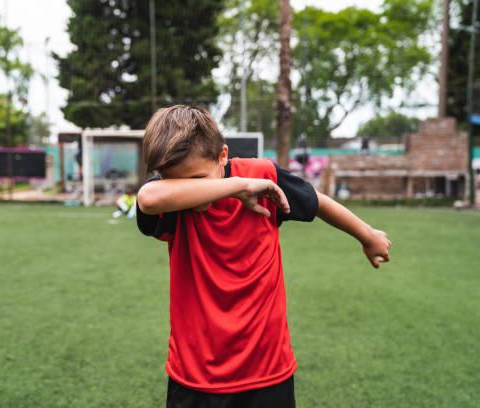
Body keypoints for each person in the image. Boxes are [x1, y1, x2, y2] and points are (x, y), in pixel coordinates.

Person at [135, 105, 392, 408]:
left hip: (268, 371)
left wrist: (367, 235)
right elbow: (147, 198)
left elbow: (316, 202)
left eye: (199, 179)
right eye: (177, 182)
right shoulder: (176, 202)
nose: (192, 190)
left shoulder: (263, 176)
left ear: (222, 156)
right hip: (195, 377)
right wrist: (238, 187)